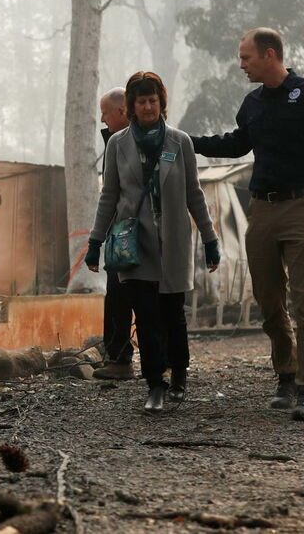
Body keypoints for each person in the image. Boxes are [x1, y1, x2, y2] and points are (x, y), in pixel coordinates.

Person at [190, 28, 304, 421]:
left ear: (269, 55)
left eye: (246, 57)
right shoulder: (253, 103)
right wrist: (185, 141)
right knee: (268, 300)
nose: (241, 65)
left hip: (303, 206)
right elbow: (235, 144)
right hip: (262, 209)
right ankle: (287, 373)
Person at [85, 71, 220, 414]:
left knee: (173, 313)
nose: (148, 107)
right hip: (135, 242)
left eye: (153, 100)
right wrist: (95, 241)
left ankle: (179, 376)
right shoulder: (117, 144)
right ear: (131, 106)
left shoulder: (180, 142)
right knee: (145, 316)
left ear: (161, 103)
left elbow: (194, 193)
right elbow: (109, 196)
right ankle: (154, 384)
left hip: (174, 240)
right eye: (142, 101)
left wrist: (210, 238)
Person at [91, 88, 136, 381]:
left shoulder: (148, 139)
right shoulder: (114, 143)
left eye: (105, 112)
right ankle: (118, 359)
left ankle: (164, 361)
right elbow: (108, 195)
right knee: (118, 295)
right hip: (119, 231)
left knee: (151, 296)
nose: (102, 119)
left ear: (121, 111)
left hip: (142, 228)